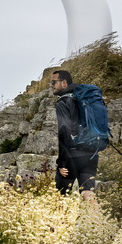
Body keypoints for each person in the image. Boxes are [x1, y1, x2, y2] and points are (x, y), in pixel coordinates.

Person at [49, 69, 98, 198]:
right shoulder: (84, 99)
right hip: (91, 152)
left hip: (72, 154)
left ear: (64, 83)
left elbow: (64, 130)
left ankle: (62, 218)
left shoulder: (63, 101)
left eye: (54, 82)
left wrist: (61, 163)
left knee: (61, 195)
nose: (51, 85)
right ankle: (96, 218)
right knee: (88, 191)